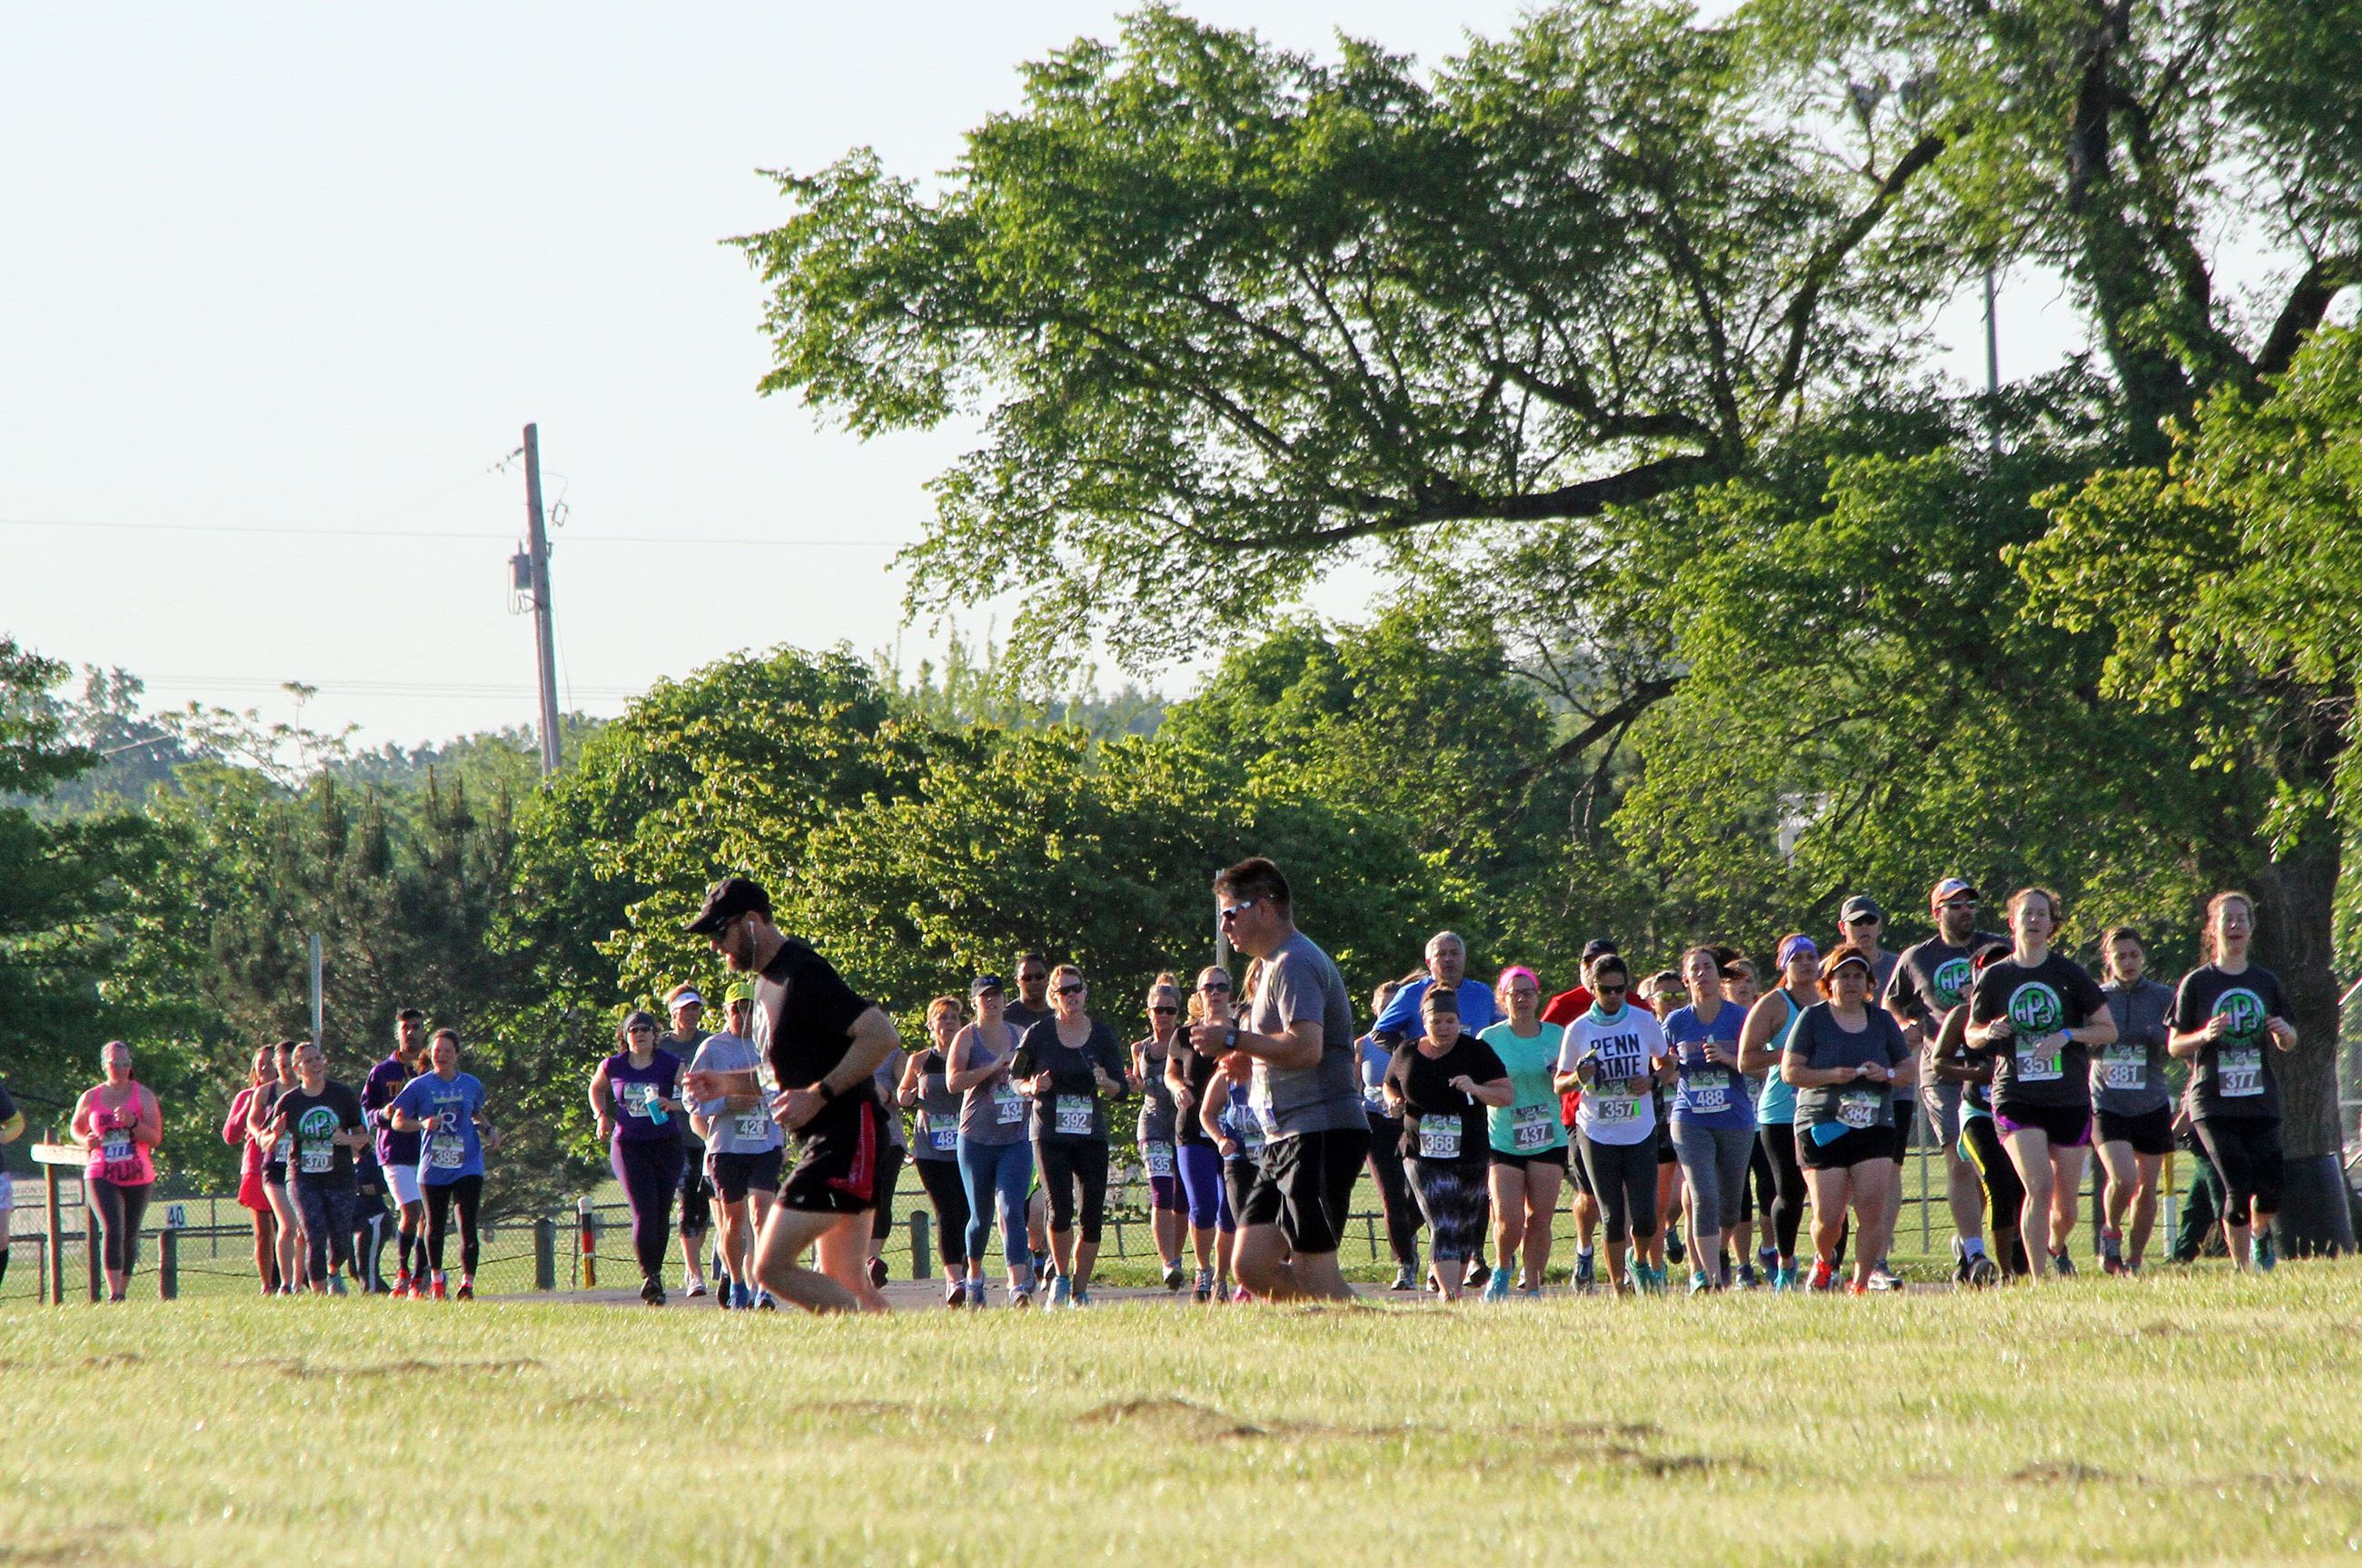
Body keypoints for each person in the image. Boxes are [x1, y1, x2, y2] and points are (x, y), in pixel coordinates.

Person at [689, 876, 901, 1315]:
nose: (715, 946)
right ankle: (897, 1353)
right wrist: (729, 1083)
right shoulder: (766, 983)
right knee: (847, 1281)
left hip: (847, 1139)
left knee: (770, 1267)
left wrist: (819, 1095)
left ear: (751, 922)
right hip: (830, 1139)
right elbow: (784, 1074)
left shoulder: (804, 972)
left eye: (720, 932)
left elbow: (881, 1036)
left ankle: (858, 1334)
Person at [1188, 858, 1367, 1304]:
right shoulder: (1270, 966)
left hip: (1320, 1132)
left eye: (1230, 914)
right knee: (1251, 1266)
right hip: (1283, 1137)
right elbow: (1282, 1045)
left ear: (1264, 908)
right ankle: (1332, 1321)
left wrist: (1233, 1038)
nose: (1225, 927)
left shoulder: (1294, 962)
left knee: (1314, 1272)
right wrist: (1246, 1057)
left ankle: (1374, 1329)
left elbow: (1307, 1048)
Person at [1966, 887, 2117, 1281]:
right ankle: (2037, 1280)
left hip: (2067, 1096)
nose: (2034, 920)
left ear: (2052, 925)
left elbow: (2107, 1030)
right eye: (2027, 913)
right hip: (2016, 1094)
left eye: (2041, 914)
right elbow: (1971, 1034)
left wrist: (2067, 1035)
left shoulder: (2069, 974)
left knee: (2066, 1209)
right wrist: (1989, 1031)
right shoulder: (1996, 976)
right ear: (2012, 922)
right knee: (2038, 1183)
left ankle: (2055, 1244)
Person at [1883, 878, 2009, 1286]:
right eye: (1954, 906)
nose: (1964, 912)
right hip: (1943, 1067)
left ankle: (1983, 1242)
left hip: (1996, 1064)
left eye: (1969, 904)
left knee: (1998, 1162)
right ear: (1936, 912)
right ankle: (1974, 1251)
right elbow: (1892, 1000)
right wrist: (1906, 1023)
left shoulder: (1997, 948)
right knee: (1960, 1157)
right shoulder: (1918, 957)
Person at [2168, 890, 2298, 1273]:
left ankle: (2260, 1233)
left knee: (2271, 1187)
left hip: (2259, 1099)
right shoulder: (2197, 983)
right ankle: (2244, 1270)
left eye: (2242, 918)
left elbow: (2290, 1040)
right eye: (2227, 918)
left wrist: (2283, 1033)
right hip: (2213, 1101)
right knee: (2236, 1186)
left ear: (2251, 928)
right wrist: (2203, 1035)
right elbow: (2174, 1044)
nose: (2235, 925)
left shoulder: (2265, 981)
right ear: (2213, 928)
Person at [1782, 945, 1914, 1293]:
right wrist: (1832, 1075)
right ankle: (1825, 1260)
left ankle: (1860, 1285)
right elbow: (1790, 1071)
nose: (1852, 982)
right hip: (1823, 1122)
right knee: (1829, 1216)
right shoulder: (1813, 1018)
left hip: (1874, 1122)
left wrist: (1885, 1073)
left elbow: (1906, 1070)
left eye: (1858, 976)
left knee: (1872, 1208)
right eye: (1844, 976)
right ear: (1829, 982)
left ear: (1868, 982)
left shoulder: (1881, 1020)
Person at [1010, 963, 1132, 1308]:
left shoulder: (1102, 1035)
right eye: (1064, 990)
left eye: (1076, 988)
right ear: (1054, 996)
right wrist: (1032, 1086)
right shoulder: (1038, 1034)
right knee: (1060, 1210)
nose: (1072, 995)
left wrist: (1107, 1083)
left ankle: (1081, 1289)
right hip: (1050, 1132)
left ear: (1085, 992)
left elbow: (1122, 1089)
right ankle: (1061, 1279)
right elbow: (1013, 1079)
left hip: (1090, 1135)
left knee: (1092, 1215)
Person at [1384, 987, 1511, 1302]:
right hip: (1421, 1151)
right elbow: (1389, 1084)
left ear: (1459, 1021)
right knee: (1443, 1220)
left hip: (1470, 1151)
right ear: (1424, 1022)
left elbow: (1506, 1096)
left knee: (1465, 1224)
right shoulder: (1407, 1052)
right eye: (1436, 1021)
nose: (1443, 1027)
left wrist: (1476, 1088)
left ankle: (1454, 1286)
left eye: (1449, 1021)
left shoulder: (1476, 1052)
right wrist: (1394, 1101)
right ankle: (1449, 1292)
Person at [1554, 956, 1665, 1294]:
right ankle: (1619, 1288)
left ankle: (1639, 1261)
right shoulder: (1579, 1029)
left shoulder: (1643, 1021)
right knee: (1612, 1214)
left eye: (1620, 989)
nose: (1614, 996)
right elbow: (1559, 1084)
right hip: (1597, 1131)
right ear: (1593, 989)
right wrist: (1578, 1077)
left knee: (1645, 1216)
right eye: (1606, 990)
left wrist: (1652, 1080)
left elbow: (1668, 1064)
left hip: (1639, 1128)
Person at [1928, 944, 2024, 1283]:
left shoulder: (2029, 1010)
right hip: (1977, 1112)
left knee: (2023, 1188)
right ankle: (2003, 1271)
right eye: (1987, 969)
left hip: (2018, 1110)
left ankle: (2022, 1260)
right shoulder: (1963, 1015)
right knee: (1997, 1182)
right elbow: (1939, 1061)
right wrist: (1976, 1073)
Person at [1664, 946, 1756, 1295]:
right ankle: (1709, 1277)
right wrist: (1666, 1067)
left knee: (1730, 1206)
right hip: (1690, 1119)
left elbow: (1760, 1068)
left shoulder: (1741, 1018)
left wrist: (1729, 1058)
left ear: (1720, 976)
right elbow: (1662, 1069)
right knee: (1703, 1195)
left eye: (1708, 967)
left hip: (1735, 1118)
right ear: (1686, 979)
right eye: (1695, 969)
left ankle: (1717, 1253)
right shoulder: (1676, 1022)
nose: (1702, 974)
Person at [691, 981, 788, 1309]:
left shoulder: (768, 1047)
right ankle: (736, 1283)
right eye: (737, 1009)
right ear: (726, 1012)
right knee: (733, 1221)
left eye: (750, 1009)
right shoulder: (713, 1049)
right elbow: (692, 1098)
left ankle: (764, 1288)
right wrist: (726, 1103)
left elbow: (780, 1092)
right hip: (727, 1147)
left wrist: (783, 1132)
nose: (744, 1016)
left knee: (762, 1212)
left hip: (765, 1143)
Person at [387, 1027, 500, 1301]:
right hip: (434, 1165)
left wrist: (489, 1129)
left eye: (448, 1051)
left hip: (467, 1162)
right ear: (431, 1054)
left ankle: (467, 1284)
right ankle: (436, 1279)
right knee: (434, 1224)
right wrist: (422, 1124)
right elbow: (397, 1121)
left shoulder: (470, 1084)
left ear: (457, 1054)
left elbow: (475, 1112)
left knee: (467, 1223)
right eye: (437, 1051)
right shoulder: (419, 1086)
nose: (442, 1056)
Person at [1476, 966, 1564, 1299]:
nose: (1523, 999)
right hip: (1504, 1137)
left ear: (1538, 997)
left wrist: (1564, 1075)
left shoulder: (1557, 1035)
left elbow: (1573, 1079)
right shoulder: (1489, 1039)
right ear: (1503, 999)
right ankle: (1502, 1267)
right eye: (1515, 994)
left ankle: (1534, 1286)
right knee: (1508, 1219)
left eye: (1529, 993)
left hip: (1548, 1136)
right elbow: (1480, 1086)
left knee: (1540, 1217)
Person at [946, 973, 1034, 1305]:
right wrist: (993, 1067)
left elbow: (1031, 1073)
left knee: (1011, 1208)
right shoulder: (967, 1037)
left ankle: (1017, 1286)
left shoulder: (1020, 1035)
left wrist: (1031, 1084)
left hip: (1015, 1138)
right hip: (976, 1139)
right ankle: (974, 1276)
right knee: (980, 1217)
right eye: (985, 996)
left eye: (996, 995)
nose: (992, 1001)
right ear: (975, 1002)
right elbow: (953, 1082)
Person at [257, 1040, 370, 1295]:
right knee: (313, 1232)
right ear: (298, 1068)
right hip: (302, 1176)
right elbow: (264, 1141)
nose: (316, 1064)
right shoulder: (289, 1101)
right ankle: (319, 1293)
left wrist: (346, 1139)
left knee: (340, 1240)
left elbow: (365, 1141)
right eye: (308, 1061)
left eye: (318, 1058)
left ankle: (332, 1270)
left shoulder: (342, 1095)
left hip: (340, 1176)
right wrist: (275, 1134)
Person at [2094, 926, 2176, 1274]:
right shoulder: (2096, 997)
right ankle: (2111, 1232)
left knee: (2146, 1188)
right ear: (2108, 960)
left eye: (2134, 955)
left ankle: (2135, 1259)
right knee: (2124, 1179)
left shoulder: (2163, 997)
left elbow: (2178, 1042)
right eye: (2120, 956)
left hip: (2151, 1102)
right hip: (2108, 1102)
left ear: (2143, 957)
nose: (2128, 963)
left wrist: (2158, 1037)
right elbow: (2081, 1040)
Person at [1739, 936, 1819, 1290]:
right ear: (1783, 964)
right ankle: (1785, 1264)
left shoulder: (1830, 999)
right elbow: (1746, 1059)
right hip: (1781, 1112)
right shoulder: (1773, 1004)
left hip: (1825, 1109)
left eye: (1811, 956)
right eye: (1797, 958)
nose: (1806, 963)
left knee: (1829, 1192)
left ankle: (1827, 1265)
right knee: (1789, 1191)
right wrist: (1788, 1054)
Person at [592, 1009, 687, 1305]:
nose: (640, 1034)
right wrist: (601, 1115)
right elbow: (596, 1088)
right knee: (644, 1211)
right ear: (625, 1035)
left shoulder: (670, 1063)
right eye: (634, 1030)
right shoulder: (613, 1065)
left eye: (645, 1029)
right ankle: (650, 1276)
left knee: (661, 1212)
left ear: (655, 1035)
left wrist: (672, 1104)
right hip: (629, 1146)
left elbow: (694, 1095)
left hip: (666, 1144)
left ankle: (655, 1275)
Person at [1541, 940, 1616, 1291]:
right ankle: (1585, 1251)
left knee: (1625, 1194)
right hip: (1578, 1113)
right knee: (1590, 1192)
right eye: (1588, 963)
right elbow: (1542, 1046)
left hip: (1629, 1112)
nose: (1593, 969)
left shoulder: (1633, 1004)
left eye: (1602, 963)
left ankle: (1628, 1267)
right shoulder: (1564, 1005)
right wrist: (1567, 1071)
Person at [1166, 968, 1238, 1302]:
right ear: (1198, 994)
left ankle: (1222, 1277)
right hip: (1194, 1130)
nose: (1215, 992)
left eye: (1221, 986)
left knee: (1229, 1211)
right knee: (1202, 1206)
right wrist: (1177, 1087)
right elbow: (1170, 1073)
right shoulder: (1185, 1035)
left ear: (1230, 992)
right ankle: (1203, 1270)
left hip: (1234, 1131)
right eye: (1208, 987)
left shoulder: (1242, 1032)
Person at [898, 996, 974, 1307]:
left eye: (954, 1018)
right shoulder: (919, 1060)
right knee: (947, 1211)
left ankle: (970, 1268)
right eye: (942, 1018)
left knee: (968, 1212)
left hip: (967, 1144)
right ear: (930, 1025)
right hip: (931, 1147)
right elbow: (903, 1091)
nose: (949, 1023)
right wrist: (907, 1096)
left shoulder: (969, 1056)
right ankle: (954, 1280)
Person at [72, 1041, 160, 1303]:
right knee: (112, 1226)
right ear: (104, 1066)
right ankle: (114, 1293)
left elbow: (155, 1138)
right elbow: (75, 1127)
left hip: (138, 1172)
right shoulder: (91, 1097)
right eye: (115, 1064)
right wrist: (85, 1140)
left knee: (130, 1231)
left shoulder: (144, 1096)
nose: (121, 1068)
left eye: (125, 1063)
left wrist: (133, 1123)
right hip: (101, 1170)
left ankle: (123, 1288)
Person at [1357, 980, 1424, 1291]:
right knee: (1392, 1196)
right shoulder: (1363, 1045)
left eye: (1393, 1008)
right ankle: (1405, 1263)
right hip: (1377, 1125)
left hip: (1413, 1123)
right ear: (1375, 1009)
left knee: (1421, 1195)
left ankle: (1407, 1235)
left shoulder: (1417, 1044)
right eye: (1383, 1007)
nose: (1388, 1013)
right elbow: (1353, 1089)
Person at [362, 1008, 430, 1297]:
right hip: (395, 1153)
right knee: (411, 1211)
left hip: (428, 1152)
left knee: (429, 1216)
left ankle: (421, 1275)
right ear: (398, 1033)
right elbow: (367, 1112)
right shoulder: (382, 1072)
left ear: (424, 1031)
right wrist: (383, 1114)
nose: (411, 1032)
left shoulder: (430, 1070)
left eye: (416, 1027)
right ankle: (402, 1272)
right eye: (405, 1028)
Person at [659, 984, 718, 1300]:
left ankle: (695, 1263)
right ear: (674, 1013)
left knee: (702, 1206)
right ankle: (694, 1272)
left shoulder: (708, 1043)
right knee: (685, 1202)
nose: (692, 1015)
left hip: (706, 1136)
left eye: (696, 1009)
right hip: (672, 1136)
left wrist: (685, 1103)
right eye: (686, 1010)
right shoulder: (662, 1046)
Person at [1134, 974, 1189, 1291]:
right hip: (1152, 1123)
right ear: (1149, 1013)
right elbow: (1138, 1084)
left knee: (1182, 1198)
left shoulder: (1185, 1043)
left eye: (1170, 1010)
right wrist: (1130, 1083)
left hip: (1181, 1124)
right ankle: (1167, 1261)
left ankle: (1176, 1258)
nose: (1164, 1016)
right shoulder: (1140, 1048)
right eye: (1158, 1010)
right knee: (1161, 1193)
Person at [1200, 1050, 1266, 1304]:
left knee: (1274, 1222)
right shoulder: (1225, 1075)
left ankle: (1277, 1281)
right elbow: (1206, 1113)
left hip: (1272, 1160)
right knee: (1244, 1224)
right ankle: (1240, 1283)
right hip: (1238, 1161)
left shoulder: (1271, 1071)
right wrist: (1220, 1139)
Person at [246, 1040, 304, 1294]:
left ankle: (300, 1283)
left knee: (303, 1229)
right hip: (275, 1167)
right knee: (287, 1225)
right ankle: (285, 1284)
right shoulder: (265, 1092)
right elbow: (251, 1120)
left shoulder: (307, 1091)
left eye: (291, 1065)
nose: (287, 1071)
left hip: (302, 1166)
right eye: (282, 1066)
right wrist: (261, 1134)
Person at [222, 1046, 281, 1295]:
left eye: (270, 1062)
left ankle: (294, 1280)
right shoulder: (247, 1096)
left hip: (286, 1164)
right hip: (256, 1167)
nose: (265, 1068)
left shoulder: (288, 1093)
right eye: (260, 1063)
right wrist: (247, 1108)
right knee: (263, 1233)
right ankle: (267, 1284)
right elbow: (230, 1136)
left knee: (290, 1227)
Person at [865, 1028, 910, 1293]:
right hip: (853, 1140)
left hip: (888, 1139)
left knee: (882, 1199)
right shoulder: (840, 1054)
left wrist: (888, 1095)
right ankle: (860, 1260)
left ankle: (873, 1259)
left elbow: (908, 1094)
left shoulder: (894, 1055)